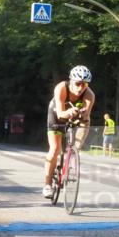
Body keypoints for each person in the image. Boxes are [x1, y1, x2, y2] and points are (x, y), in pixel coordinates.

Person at [44, 65, 95, 198]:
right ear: (71, 81)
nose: (80, 88)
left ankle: (72, 155)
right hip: (57, 114)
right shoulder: (61, 88)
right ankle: (47, 184)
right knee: (55, 149)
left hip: (74, 115)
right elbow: (61, 114)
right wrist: (69, 112)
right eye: (77, 84)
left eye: (84, 85)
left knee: (86, 123)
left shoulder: (89, 95)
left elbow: (86, 116)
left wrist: (83, 113)